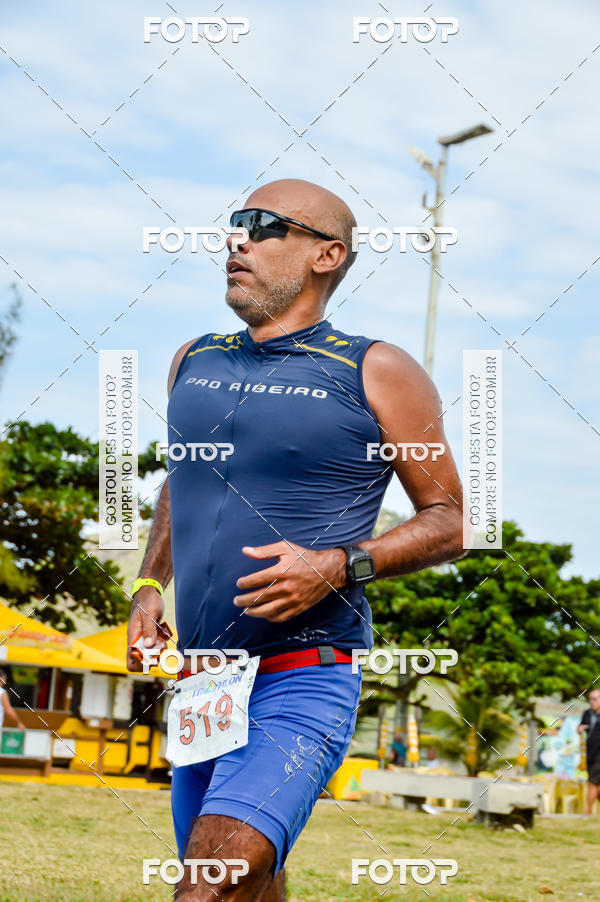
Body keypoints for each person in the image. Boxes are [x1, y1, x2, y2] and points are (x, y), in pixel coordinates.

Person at [127, 178, 465, 901]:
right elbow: (180, 485)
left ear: (327, 255)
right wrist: (152, 586)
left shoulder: (376, 368)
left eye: (264, 225)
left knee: (208, 883)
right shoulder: (195, 359)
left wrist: (341, 565)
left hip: (303, 676)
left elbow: (454, 520)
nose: (236, 239)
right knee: (250, 887)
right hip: (206, 681)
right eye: (234, 223)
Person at [578, 688, 600, 815]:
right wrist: (580, 729)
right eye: (590, 699)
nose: (592, 702)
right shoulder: (588, 714)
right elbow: (580, 727)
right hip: (590, 754)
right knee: (596, 785)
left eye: (595, 699)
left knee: (592, 783)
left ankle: (588, 812)